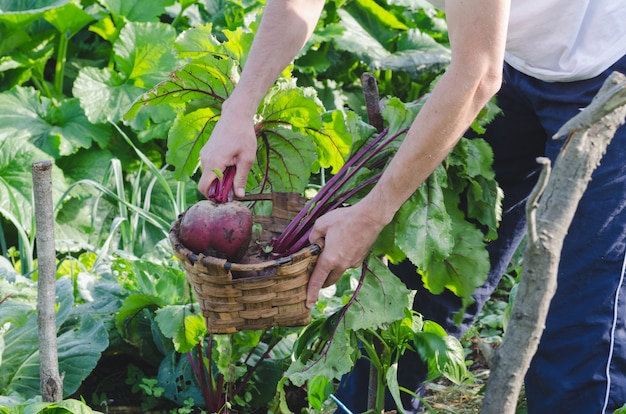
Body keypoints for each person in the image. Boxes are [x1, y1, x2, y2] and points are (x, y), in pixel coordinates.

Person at [197, 0, 626, 412]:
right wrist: (240, 107)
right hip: (515, 56)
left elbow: (477, 76)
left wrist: (372, 212)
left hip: (609, 67)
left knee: (579, 326)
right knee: (419, 274)